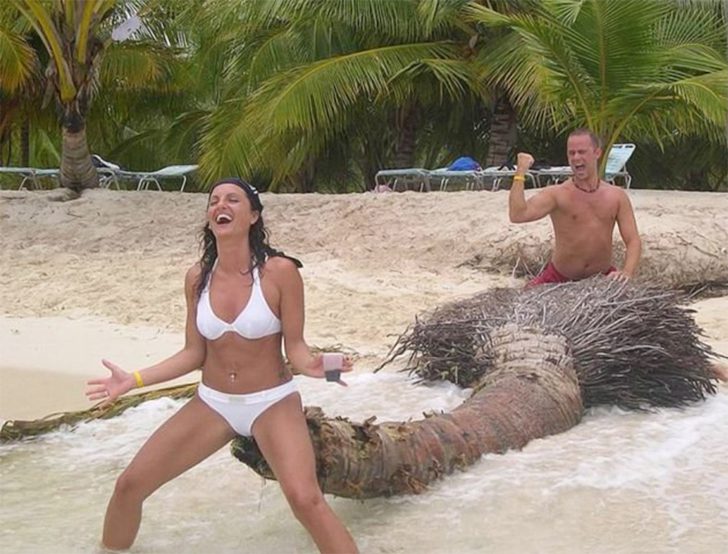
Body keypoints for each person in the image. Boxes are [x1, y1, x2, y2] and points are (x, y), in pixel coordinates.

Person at [86, 178, 358, 553]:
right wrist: (133, 380)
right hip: (213, 403)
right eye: (213, 201)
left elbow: (296, 348)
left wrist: (320, 367)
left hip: (271, 402)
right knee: (128, 486)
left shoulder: (280, 272)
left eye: (232, 199)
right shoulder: (197, 277)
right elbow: (193, 353)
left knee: (305, 500)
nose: (220, 206)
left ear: (253, 215)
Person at [508, 128, 642, 286]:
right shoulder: (558, 194)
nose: (576, 157)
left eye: (582, 152)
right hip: (559, 277)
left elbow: (633, 240)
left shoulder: (616, 196)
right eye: (571, 153)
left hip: (602, 277)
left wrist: (627, 272)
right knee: (524, 298)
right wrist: (520, 172)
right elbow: (517, 215)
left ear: (597, 153)